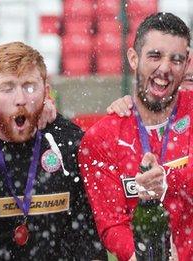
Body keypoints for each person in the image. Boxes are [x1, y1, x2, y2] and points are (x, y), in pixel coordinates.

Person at [0, 41, 105, 259]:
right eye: (7, 88)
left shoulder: (71, 143)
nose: (20, 100)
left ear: (46, 92)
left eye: (29, 87)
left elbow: (88, 240)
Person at [79, 12, 193, 260]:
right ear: (133, 58)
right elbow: (111, 223)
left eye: (176, 59)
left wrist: (167, 180)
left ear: (187, 64)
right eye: (154, 56)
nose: (164, 68)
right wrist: (145, 257)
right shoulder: (101, 137)